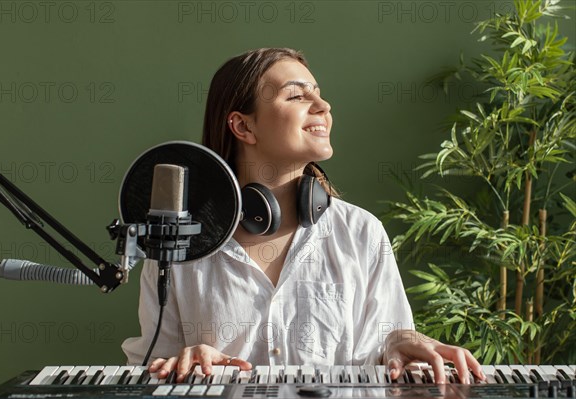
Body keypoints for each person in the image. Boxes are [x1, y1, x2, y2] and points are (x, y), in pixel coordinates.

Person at [122, 48, 485, 384]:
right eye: (297, 96)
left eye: (319, 93)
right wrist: (181, 363)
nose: (323, 105)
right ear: (243, 126)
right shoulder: (176, 243)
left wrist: (398, 342)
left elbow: (388, 362)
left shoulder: (361, 233)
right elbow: (149, 371)